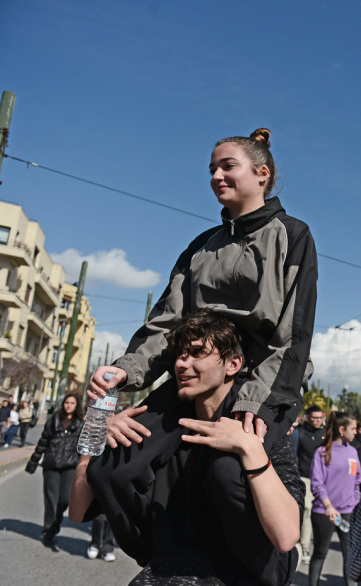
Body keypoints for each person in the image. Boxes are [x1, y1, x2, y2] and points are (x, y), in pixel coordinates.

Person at [83, 128, 317, 566]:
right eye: (211, 168)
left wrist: (257, 407)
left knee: (228, 472)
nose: (216, 176)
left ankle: (262, 571)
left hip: (260, 383)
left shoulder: (293, 234)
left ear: (262, 174)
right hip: (194, 373)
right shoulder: (199, 247)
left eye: (227, 166)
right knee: (112, 468)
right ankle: (164, 561)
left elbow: (294, 333)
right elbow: (165, 323)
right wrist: (125, 370)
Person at [70, 310, 305, 585]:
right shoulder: (161, 432)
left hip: (246, 573)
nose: (182, 363)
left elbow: (287, 536)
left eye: (196, 353)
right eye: (180, 355)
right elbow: (77, 511)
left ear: (233, 364)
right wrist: (97, 432)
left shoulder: (258, 429)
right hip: (173, 566)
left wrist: (249, 448)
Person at [24, 392, 84, 548]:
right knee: (50, 501)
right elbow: (42, 443)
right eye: (66, 402)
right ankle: (48, 532)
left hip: (70, 467)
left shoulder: (80, 424)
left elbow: (83, 449)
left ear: (76, 405)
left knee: (64, 500)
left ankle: (55, 524)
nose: (68, 405)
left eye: (72, 403)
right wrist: (33, 462)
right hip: (51, 465)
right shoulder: (53, 421)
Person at [308, 411, 361, 586]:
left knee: (349, 555)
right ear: (341, 429)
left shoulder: (353, 452)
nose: (356, 432)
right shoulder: (322, 452)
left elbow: (356, 481)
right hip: (324, 512)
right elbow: (317, 483)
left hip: (347, 512)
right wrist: (328, 506)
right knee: (320, 552)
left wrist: (353, 504)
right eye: (353, 429)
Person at [296, 404, 326, 562]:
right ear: (307, 418)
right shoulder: (299, 433)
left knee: (320, 515)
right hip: (305, 478)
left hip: (324, 480)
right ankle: (305, 546)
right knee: (307, 511)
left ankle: (320, 549)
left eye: (320, 418)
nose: (318, 420)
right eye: (314, 418)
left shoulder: (326, 434)